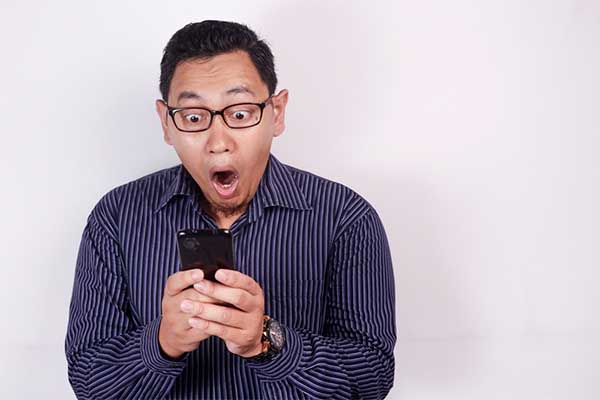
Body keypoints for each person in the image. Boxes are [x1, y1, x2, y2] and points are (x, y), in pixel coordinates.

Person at [65, 20, 396, 399]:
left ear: (277, 112)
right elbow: (89, 382)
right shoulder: (116, 217)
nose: (218, 142)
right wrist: (162, 341)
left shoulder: (345, 218)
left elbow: (371, 380)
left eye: (240, 114)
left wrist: (267, 341)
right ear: (166, 123)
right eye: (193, 117)